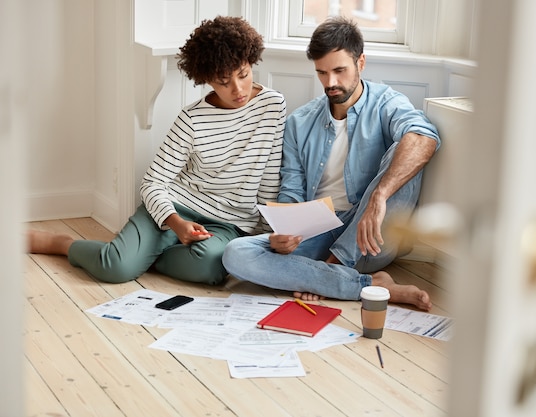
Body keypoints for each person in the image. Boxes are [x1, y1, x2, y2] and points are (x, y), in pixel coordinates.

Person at [27, 16, 286, 286]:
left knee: (212, 269)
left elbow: (269, 177)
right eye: (223, 81)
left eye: (243, 74)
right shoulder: (192, 119)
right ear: (207, 79)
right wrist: (175, 222)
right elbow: (153, 182)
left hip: (229, 223)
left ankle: (137, 256)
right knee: (114, 269)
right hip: (176, 206)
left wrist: (267, 237)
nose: (238, 88)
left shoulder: (273, 105)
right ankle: (64, 244)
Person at [222, 17, 439, 311]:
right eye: (322, 73)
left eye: (339, 70)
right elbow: (291, 191)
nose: (331, 83)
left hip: (369, 234)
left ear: (360, 63)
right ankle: (367, 284)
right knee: (236, 254)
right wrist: (284, 232)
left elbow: (425, 138)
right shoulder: (299, 123)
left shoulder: (386, 102)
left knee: (407, 147)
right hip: (318, 232)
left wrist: (379, 196)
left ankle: (329, 271)